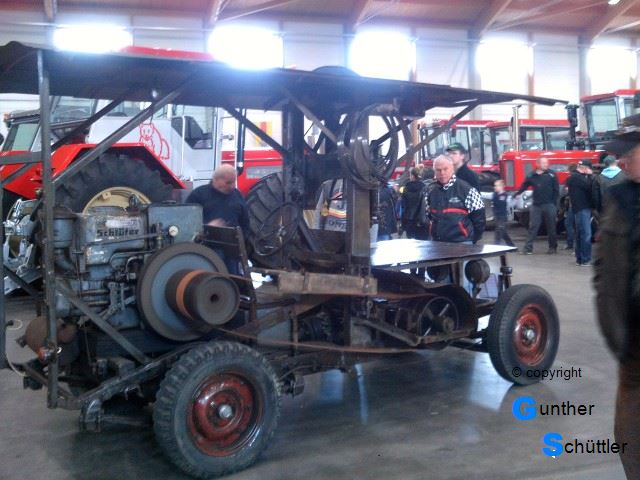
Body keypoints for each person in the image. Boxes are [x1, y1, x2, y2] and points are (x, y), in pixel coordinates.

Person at [594, 130, 640, 480]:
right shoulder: (620, 199)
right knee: (628, 434)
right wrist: (614, 328)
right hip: (633, 343)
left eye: (630, 153)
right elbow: (603, 265)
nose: (621, 161)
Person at [186, 164, 249, 274]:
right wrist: (206, 226)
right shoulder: (199, 195)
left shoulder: (237, 195)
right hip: (207, 250)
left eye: (233, 182)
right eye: (228, 182)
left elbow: (245, 222)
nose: (232, 186)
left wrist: (242, 243)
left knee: (233, 278)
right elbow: (186, 220)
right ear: (216, 179)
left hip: (232, 251)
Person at [424, 155, 485, 244]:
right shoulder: (430, 191)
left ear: (452, 169)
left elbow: (479, 218)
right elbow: (427, 215)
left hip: (462, 242)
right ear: (434, 171)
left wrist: (473, 238)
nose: (442, 173)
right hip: (437, 243)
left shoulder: (467, 190)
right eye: (438, 170)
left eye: (445, 169)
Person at [515, 157, 559, 254]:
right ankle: (528, 248)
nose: (546, 164)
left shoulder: (552, 175)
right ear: (538, 164)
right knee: (533, 227)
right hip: (536, 206)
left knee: (551, 227)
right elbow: (524, 185)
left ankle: (553, 247)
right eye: (544, 163)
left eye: (547, 163)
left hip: (549, 205)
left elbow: (556, 190)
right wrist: (517, 193)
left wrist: (554, 204)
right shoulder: (531, 175)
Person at [566, 159, 596, 266]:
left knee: (580, 234)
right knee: (586, 234)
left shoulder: (573, 177)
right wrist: (591, 175)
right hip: (582, 208)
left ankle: (580, 258)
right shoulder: (578, 178)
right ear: (586, 168)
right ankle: (585, 259)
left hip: (578, 208)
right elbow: (590, 187)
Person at [400, 168, 428, 240]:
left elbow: (403, 206)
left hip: (409, 219)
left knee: (411, 242)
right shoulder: (424, 187)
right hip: (421, 220)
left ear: (412, 176)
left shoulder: (406, 188)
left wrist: (403, 224)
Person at [492, 179, 514, 246]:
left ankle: (497, 245)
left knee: (500, 230)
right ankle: (511, 245)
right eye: (495, 186)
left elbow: (510, 205)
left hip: (503, 216)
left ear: (502, 186)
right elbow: (484, 194)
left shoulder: (506, 196)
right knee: (501, 231)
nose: (495, 187)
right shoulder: (494, 194)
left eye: (497, 185)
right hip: (496, 216)